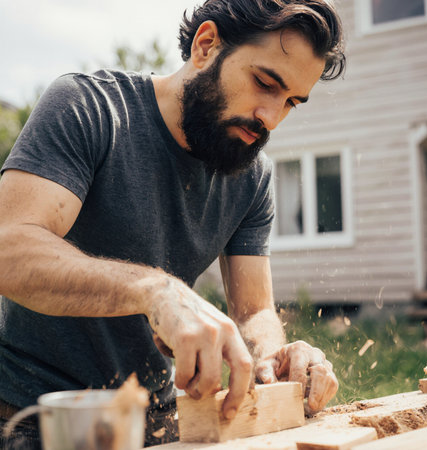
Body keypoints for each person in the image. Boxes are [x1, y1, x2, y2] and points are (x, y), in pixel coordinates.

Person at [0, 0, 345, 447]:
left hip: (161, 427)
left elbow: (254, 311)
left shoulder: (253, 176)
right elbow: (10, 248)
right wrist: (155, 291)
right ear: (206, 45)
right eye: (264, 83)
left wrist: (273, 356)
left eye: (291, 102)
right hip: (32, 419)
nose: (271, 118)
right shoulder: (89, 106)